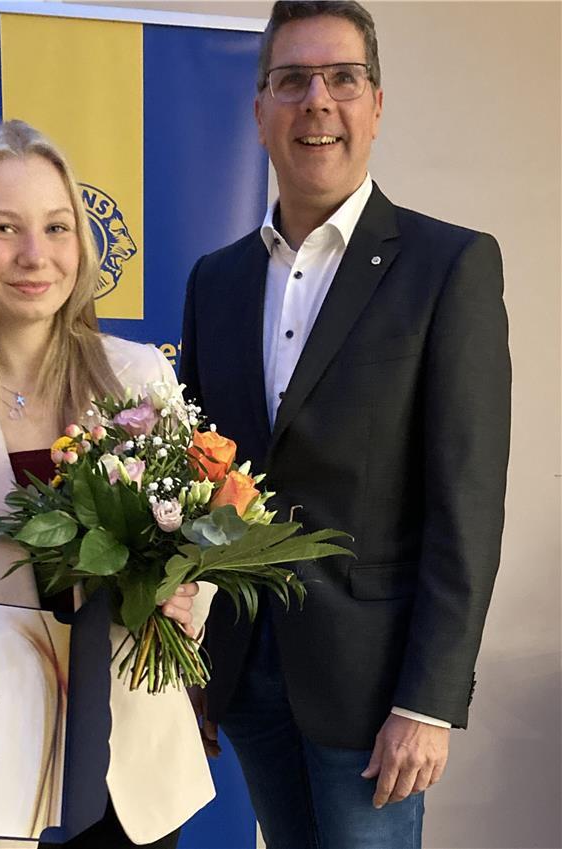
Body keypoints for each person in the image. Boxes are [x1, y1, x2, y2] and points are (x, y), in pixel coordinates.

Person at [179, 2, 510, 847]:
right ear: (260, 111)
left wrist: (428, 700)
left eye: (342, 78)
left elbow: (466, 506)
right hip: (247, 672)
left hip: (375, 693)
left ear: (377, 104)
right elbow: (196, 484)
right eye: (292, 80)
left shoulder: (449, 266)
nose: (317, 100)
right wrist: (192, 662)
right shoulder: (215, 281)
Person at [0, 120, 215, 849]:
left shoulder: (140, 374)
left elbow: (198, 546)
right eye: (4, 228)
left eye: (57, 227)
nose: (36, 255)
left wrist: (185, 595)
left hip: (135, 771)